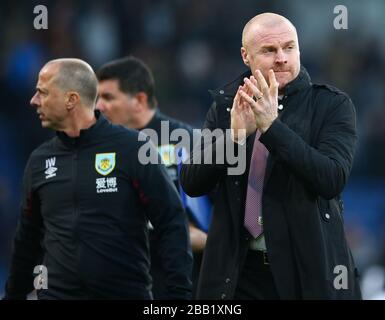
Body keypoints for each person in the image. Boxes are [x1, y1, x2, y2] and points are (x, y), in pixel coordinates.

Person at [180, 12, 362, 299]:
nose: (281, 58)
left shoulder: (331, 105)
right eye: (269, 50)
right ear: (245, 55)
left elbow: (331, 178)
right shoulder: (227, 104)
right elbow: (192, 183)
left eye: (289, 47)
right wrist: (235, 138)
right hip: (238, 272)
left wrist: (272, 128)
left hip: (307, 270)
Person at [3, 58, 192, 299]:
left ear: (71, 100)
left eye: (42, 92)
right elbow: (27, 240)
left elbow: (170, 221)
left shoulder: (132, 148)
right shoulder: (39, 161)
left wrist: (179, 296)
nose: (34, 101)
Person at [96, 56, 209, 298]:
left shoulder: (188, 141)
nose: (99, 107)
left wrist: (210, 238)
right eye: (97, 98)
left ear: (139, 100)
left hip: (183, 280)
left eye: (108, 97)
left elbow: (219, 210)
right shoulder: (102, 148)